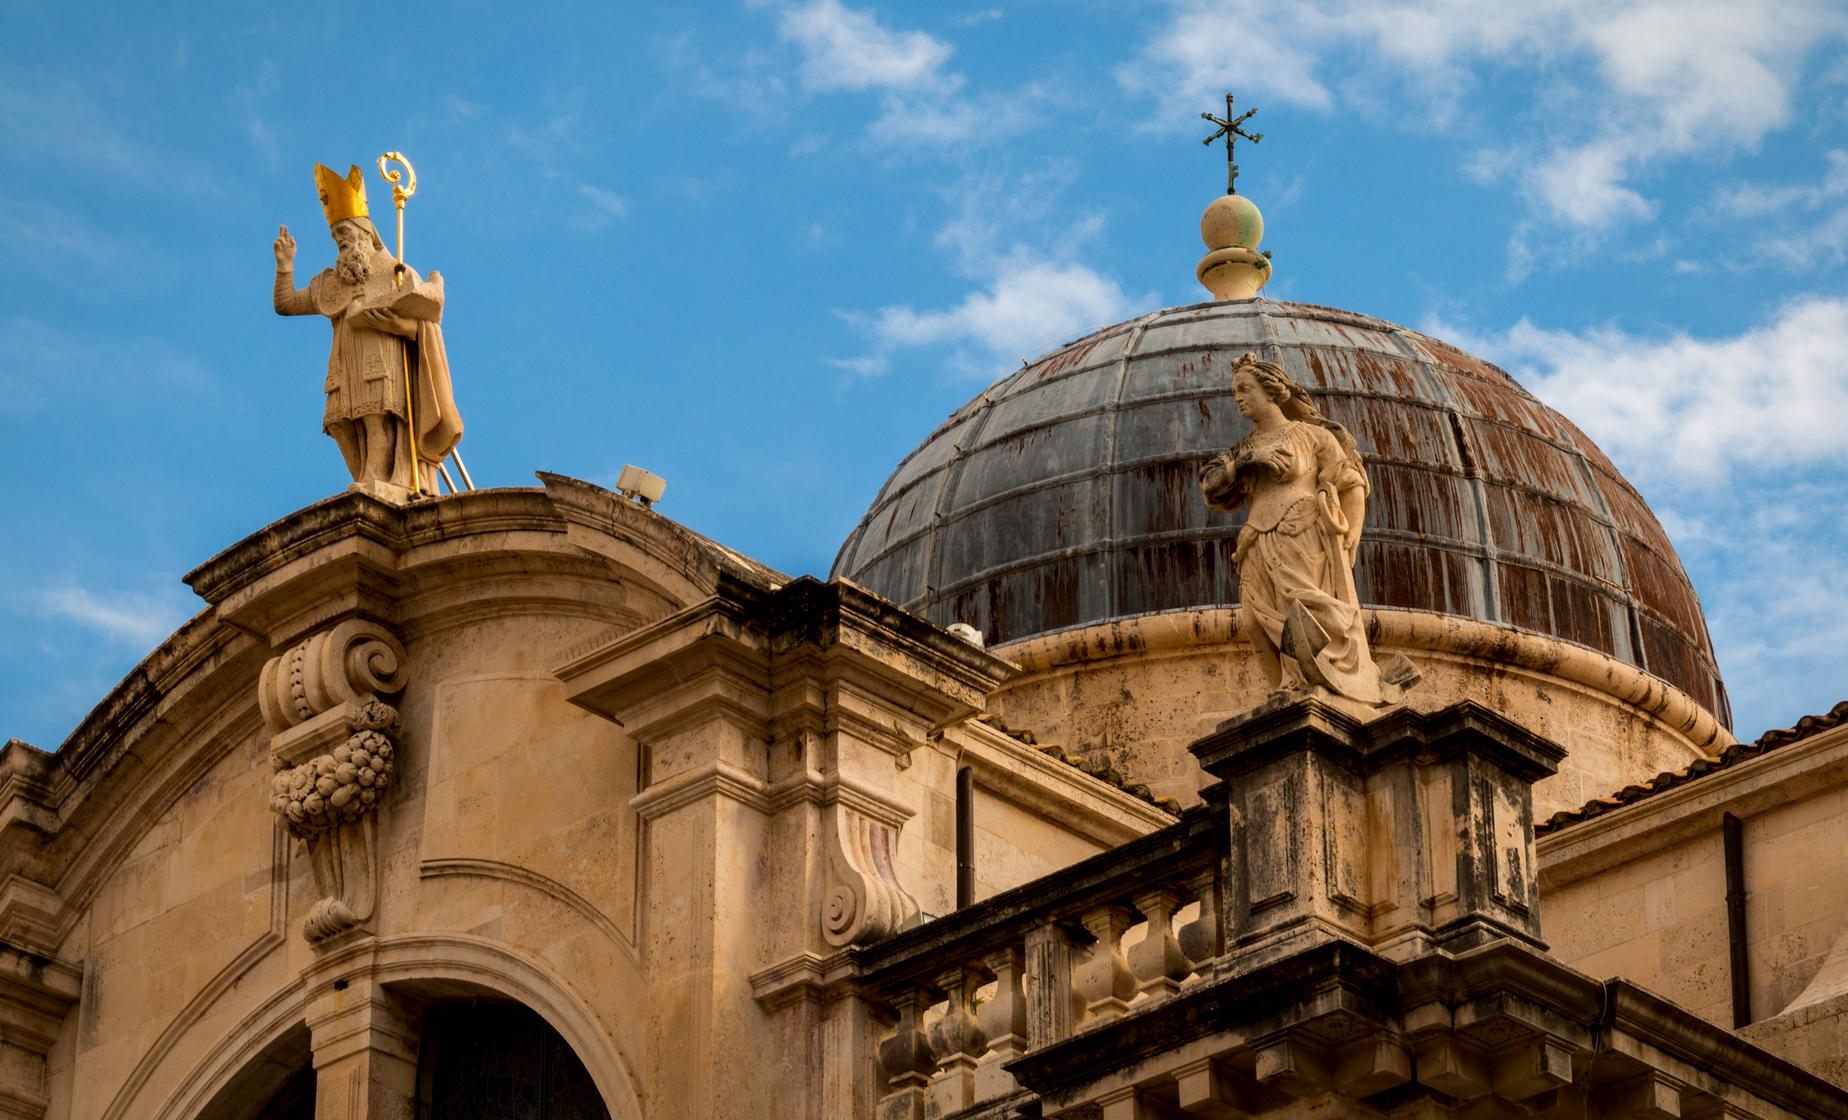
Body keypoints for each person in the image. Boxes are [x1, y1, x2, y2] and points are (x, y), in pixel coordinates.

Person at [1200, 353, 1397, 705]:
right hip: (1257, 542)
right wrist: (1250, 460)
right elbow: (1211, 485)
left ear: (1272, 390)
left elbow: (1350, 482)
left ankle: (1311, 681)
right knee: (1254, 622)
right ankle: (1285, 686)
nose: (1239, 398)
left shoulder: (1312, 435)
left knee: (1302, 611)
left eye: (1245, 389)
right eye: (1235, 392)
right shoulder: (1241, 450)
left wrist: (1352, 530)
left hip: (1301, 532)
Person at [273, 162, 461, 494]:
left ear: (366, 234)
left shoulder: (395, 273)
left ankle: (378, 480)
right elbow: (287, 304)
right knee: (343, 424)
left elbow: (426, 325)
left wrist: (401, 325)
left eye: (345, 235)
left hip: (381, 359)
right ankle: (365, 475)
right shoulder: (330, 282)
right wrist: (285, 267)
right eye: (336, 238)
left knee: (377, 422)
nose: (340, 243)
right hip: (345, 363)